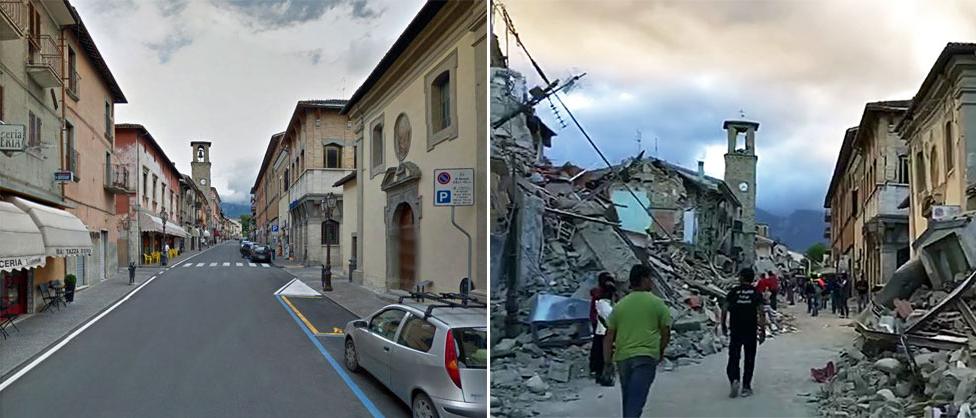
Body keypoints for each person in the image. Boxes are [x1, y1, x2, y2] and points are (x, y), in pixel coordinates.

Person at [603, 264, 672, 418]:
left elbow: (608, 336)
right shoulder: (657, 303)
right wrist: (660, 351)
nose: (652, 282)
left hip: (623, 359)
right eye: (650, 279)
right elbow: (666, 332)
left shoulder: (620, 306)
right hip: (646, 357)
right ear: (644, 279)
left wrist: (607, 361)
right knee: (636, 401)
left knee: (629, 398)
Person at [722, 267, 766, 398]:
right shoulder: (755, 293)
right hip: (750, 330)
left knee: (734, 356)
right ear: (752, 279)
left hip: (736, 330)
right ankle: (746, 386)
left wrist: (723, 324)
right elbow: (761, 312)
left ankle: (734, 379)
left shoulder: (733, 292)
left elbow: (724, 309)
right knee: (749, 358)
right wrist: (762, 330)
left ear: (741, 277)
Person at [590, 275, 617, 381]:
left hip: (599, 322)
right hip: (601, 322)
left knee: (598, 345)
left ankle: (597, 369)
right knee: (602, 346)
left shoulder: (599, 293)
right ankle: (601, 369)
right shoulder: (602, 295)